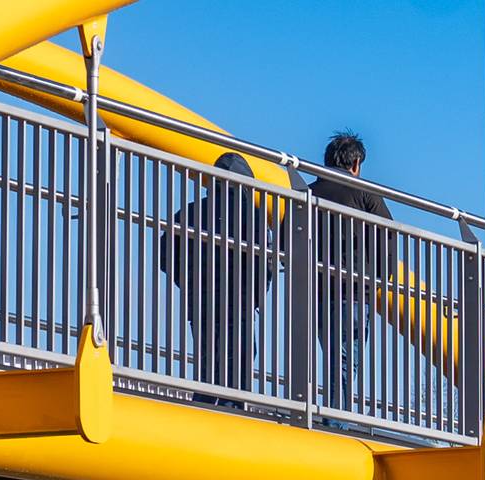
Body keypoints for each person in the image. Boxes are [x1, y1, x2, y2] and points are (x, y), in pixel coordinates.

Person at [157, 151, 281, 404]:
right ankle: (232, 410)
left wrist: (189, 282)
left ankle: (203, 406)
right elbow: (265, 266)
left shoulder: (189, 213)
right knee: (241, 359)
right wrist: (256, 296)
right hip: (240, 300)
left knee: (207, 359)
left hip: (201, 299)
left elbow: (166, 257)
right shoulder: (255, 219)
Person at [305, 131, 393, 407]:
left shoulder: (308, 192)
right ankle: (336, 418)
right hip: (353, 290)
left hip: (318, 288)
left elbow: (287, 238)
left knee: (334, 355)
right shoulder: (365, 194)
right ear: (355, 165)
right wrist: (380, 275)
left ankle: (335, 411)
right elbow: (386, 235)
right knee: (345, 358)